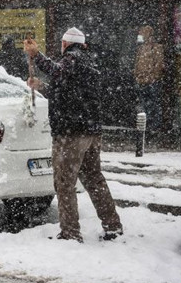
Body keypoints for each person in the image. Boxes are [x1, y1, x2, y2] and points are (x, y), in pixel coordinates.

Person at [24, 27, 123, 243]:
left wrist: (36, 56)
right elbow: (67, 91)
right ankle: (112, 225)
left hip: (71, 133)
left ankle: (70, 232)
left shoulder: (72, 58)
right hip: (91, 132)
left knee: (64, 182)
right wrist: (42, 86)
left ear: (65, 44)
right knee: (94, 179)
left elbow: (58, 72)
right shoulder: (89, 62)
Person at [134, 25, 164, 134]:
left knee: (154, 103)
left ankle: (154, 127)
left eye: (142, 33)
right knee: (143, 104)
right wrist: (137, 76)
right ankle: (145, 127)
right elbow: (137, 64)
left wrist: (152, 77)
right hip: (142, 81)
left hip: (151, 81)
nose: (140, 36)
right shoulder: (140, 48)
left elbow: (159, 65)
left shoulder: (156, 47)